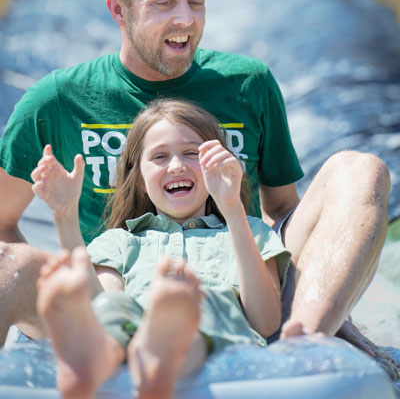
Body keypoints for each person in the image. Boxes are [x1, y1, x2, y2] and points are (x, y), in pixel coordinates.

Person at [0, 0, 394, 374]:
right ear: (119, 10)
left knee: (361, 168)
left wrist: (320, 289)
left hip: (235, 282)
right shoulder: (56, 101)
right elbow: (2, 220)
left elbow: (283, 208)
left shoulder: (248, 84)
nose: (185, 19)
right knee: (6, 263)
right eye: (164, 3)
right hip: (111, 293)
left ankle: (305, 340)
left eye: (197, 1)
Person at [33, 98, 291, 399]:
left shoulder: (248, 231)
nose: (177, 166)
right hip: (134, 330)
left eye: (192, 153)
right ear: (140, 180)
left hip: (220, 343)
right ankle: (95, 360)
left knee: (200, 304)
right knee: (112, 309)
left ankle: (162, 352)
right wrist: (65, 218)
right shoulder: (119, 241)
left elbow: (266, 321)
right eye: (160, 157)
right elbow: (104, 300)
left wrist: (232, 206)